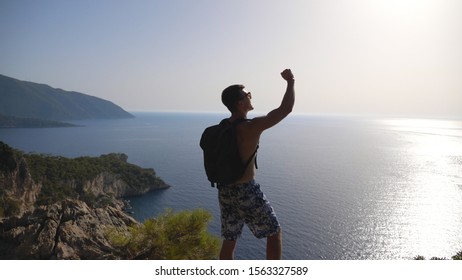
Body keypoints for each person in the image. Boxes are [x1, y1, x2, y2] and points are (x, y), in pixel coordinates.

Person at [217, 69, 295, 259]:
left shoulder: (221, 128)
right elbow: (285, 109)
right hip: (246, 190)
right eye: (247, 95)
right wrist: (291, 82)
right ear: (240, 103)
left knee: (230, 238)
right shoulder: (250, 127)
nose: (251, 97)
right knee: (274, 232)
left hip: (225, 190)